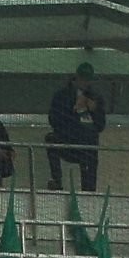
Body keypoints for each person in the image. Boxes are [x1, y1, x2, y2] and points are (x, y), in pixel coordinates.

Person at [47, 62, 106, 191]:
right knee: (50, 139)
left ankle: (89, 189)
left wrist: (94, 110)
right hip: (67, 138)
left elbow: (101, 126)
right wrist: (73, 109)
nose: (85, 83)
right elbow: (54, 120)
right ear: (76, 78)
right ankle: (57, 180)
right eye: (83, 80)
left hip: (87, 143)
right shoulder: (62, 96)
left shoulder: (96, 98)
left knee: (90, 153)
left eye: (88, 81)